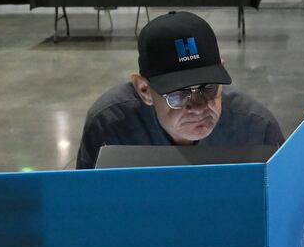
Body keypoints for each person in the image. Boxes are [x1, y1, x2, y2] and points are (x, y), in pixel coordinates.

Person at [75, 11, 284, 168]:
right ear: (144, 90)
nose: (199, 107)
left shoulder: (256, 129)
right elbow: (88, 203)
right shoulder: (110, 126)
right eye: (178, 94)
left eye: (208, 88)